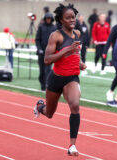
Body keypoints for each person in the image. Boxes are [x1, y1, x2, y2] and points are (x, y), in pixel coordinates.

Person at [34, 3, 86, 156]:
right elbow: (47, 60)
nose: (72, 20)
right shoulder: (56, 36)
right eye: (68, 18)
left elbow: (77, 53)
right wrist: (67, 50)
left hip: (72, 77)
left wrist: (80, 62)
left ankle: (72, 146)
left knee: (75, 105)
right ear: (61, 20)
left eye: (73, 17)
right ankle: (39, 106)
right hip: (56, 78)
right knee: (49, 113)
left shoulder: (77, 33)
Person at [35, 12, 57, 91]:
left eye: (49, 19)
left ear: (51, 19)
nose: (48, 20)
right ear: (45, 19)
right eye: (47, 18)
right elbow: (37, 39)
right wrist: (39, 49)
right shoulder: (41, 27)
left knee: (48, 71)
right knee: (42, 71)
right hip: (41, 53)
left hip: (50, 54)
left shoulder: (54, 28)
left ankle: (47, 86)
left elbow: (56, 41)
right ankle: (42, 85)